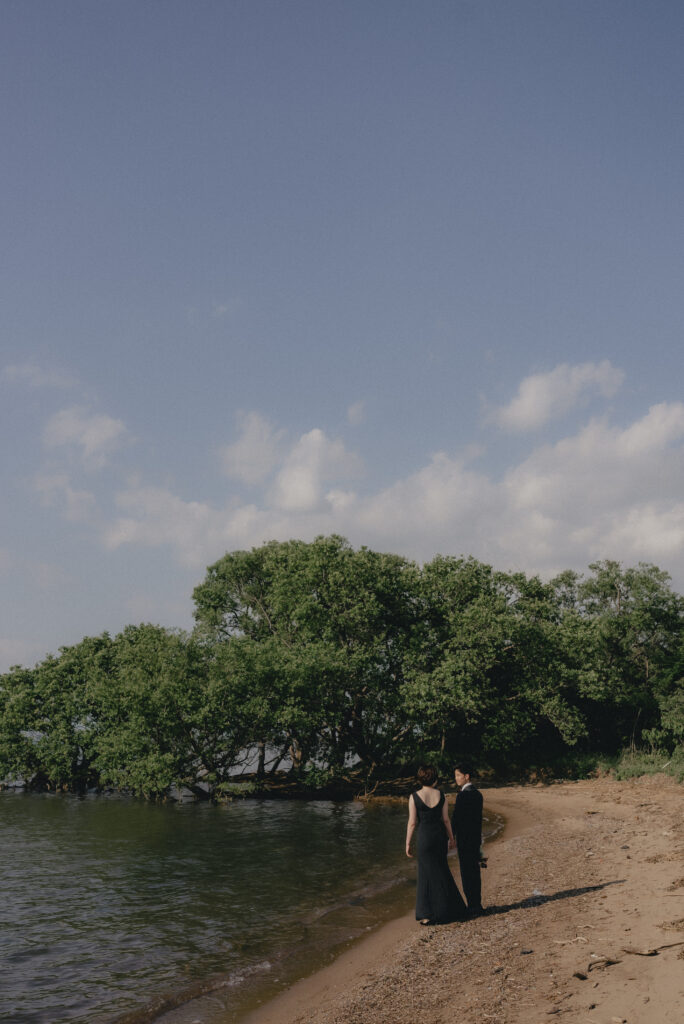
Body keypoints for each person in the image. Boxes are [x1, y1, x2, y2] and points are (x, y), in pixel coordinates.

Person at [406, 764, 467, 925]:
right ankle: (451, 909)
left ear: (420, 778)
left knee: (425, 874)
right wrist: (451, 839)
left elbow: (412, 823)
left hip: (424, 837)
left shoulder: (414, 797)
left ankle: (427, 914)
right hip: (439, 836)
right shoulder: (441, 795)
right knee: (441, 869)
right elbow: (446, 819)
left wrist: (407, 843)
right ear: (435, 778)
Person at [451, 762, 485, 917]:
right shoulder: (478, 794)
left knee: (466, 873)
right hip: (475, 838)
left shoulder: (463, 795)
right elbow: (477, 821)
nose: (456, 778)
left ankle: (472, 906)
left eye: (458, 775)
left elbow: (456, 820)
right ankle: (476, 904)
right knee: (474, 872)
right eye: (456, 775)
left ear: (466, 776)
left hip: (465, 840)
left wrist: (450, 837)